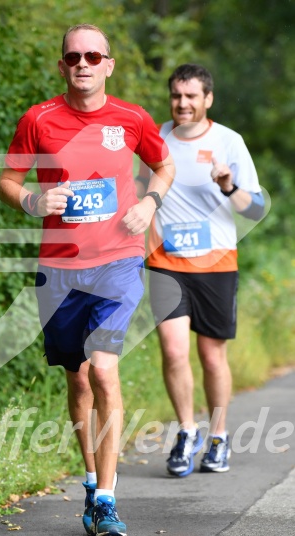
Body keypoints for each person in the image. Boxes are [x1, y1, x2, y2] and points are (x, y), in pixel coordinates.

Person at [0, 24, 174, 536]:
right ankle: (93, 479)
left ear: (108, 65)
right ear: (62, 66)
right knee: (76, 376)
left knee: (103, 369)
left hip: (118, 262)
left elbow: (163, 167)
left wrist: (148, 201)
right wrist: (30, 199)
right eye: (74, 56)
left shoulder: (132, 119)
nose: (84, 63)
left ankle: (107, 496)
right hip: (58, 269)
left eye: (94, 55)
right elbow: (8, 178)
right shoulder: (40, 119)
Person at [136, 63, 265, 477]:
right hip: (166, 263)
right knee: (173, 351)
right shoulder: (155, 139)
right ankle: (187, 432)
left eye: (191, 96)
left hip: (216, 263)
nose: (183, 103)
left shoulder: (229, 142)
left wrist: (229, 186)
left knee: (211, 357)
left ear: (207, 99)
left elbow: (258, 208)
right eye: (177, 95)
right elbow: (139, 196)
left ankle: (219, 436)